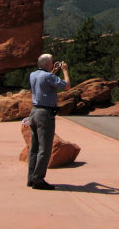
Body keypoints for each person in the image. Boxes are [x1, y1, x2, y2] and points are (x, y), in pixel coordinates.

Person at [27, 53, 70, 190]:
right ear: (46, 64)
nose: (53, 64)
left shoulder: (33, 75)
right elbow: (66, 86)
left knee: (34, 147)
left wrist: (53, 72)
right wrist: (64, 71)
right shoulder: (49, 76)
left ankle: (31, 178)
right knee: (44, 148)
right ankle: (38, 179)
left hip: (33, 112)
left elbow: (44, 80)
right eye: (51, 62)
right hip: (45, 114)